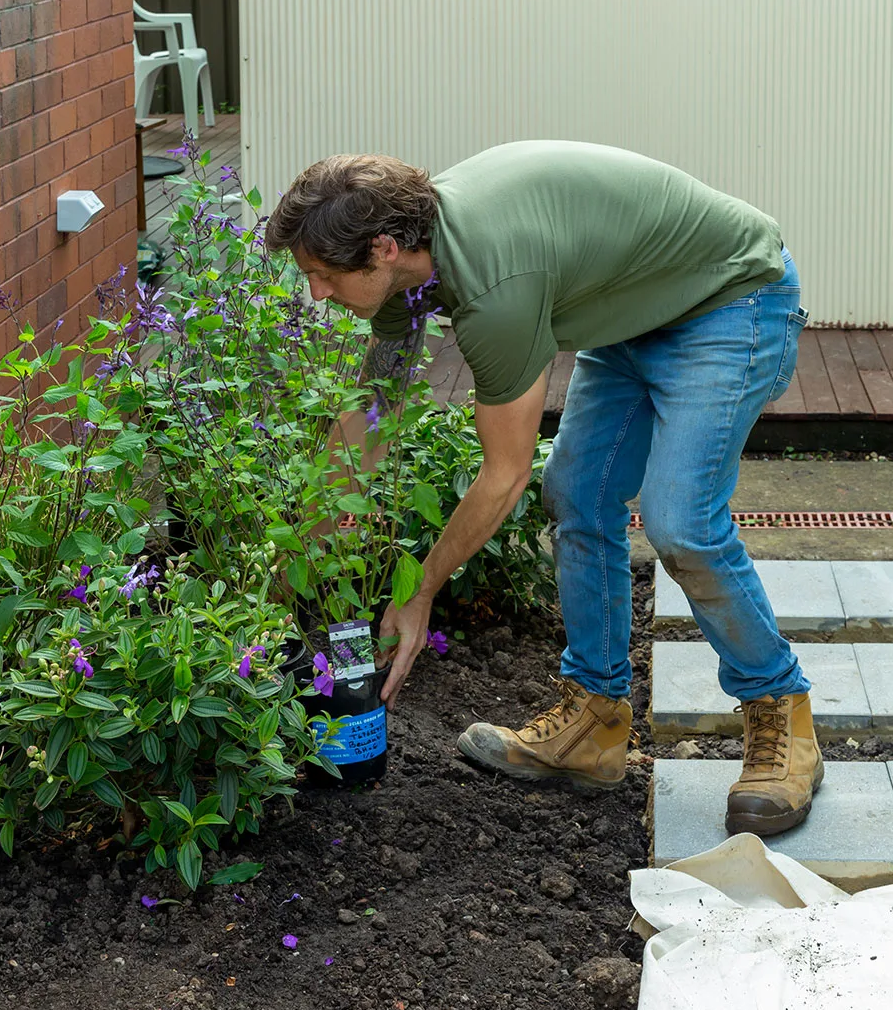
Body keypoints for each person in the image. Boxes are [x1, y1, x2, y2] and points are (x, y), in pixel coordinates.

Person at [264, 141, 822, 836]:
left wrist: (421, 590)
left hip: (730, 300)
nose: (314, 294)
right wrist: (278, 581)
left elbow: (504, 477)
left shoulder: (494, 286)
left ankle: (782, 714)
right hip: (631, 312)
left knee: (681, 522)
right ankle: (596, 721)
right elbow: (368, 424)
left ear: (381, 248)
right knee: (578, 498)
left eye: (321, 275)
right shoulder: (409, 274)